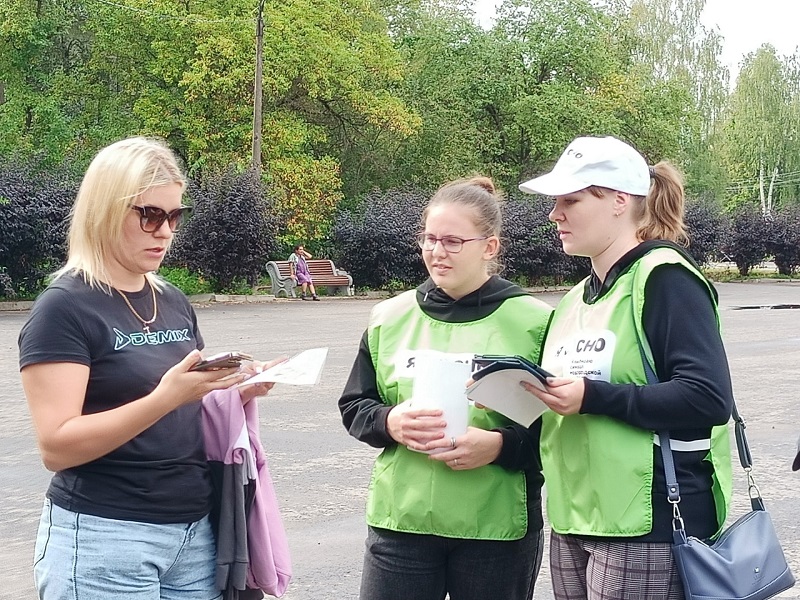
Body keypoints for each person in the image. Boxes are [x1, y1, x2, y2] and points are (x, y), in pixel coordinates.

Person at [18, 136, 276, 600]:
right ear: (103, 210)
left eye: (175, 216)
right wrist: (165, 397)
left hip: (196, 532)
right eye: (150, 215)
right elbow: (56, 446)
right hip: (106, 537)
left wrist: (236, 389)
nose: (165, 231)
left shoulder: (172, 299)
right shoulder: (65, 307)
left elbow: (187, 404)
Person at [517, 135, 734, 600]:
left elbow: (708, 398)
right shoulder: (576, 297)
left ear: (619, 201)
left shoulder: (665, 277)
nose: (555, 214)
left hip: (650, 521)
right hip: (576, 519)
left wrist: (592, 397)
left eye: (571, 200)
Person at [338, 176, 553, 600]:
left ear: (489, 247)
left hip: (495, 529)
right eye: (430, 239)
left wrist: (499, 446)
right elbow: (355, 405)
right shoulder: (389, 317)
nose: (437, 252)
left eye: (453, 241)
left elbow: (562, 431)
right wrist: (389, 420)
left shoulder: (534, 321)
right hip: (402, 525)